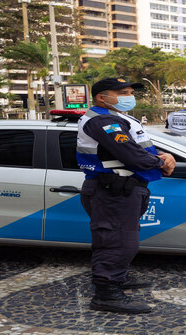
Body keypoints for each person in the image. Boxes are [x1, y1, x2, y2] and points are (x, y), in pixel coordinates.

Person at [76, 78, 176, 314]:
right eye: (122, 92)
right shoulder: (103, 120)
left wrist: (163, 154)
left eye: (130, 92)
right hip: (112, 191)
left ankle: (116, 278)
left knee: (121, 240)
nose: (129, 96)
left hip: (122, 188)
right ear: (102, 97)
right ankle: (107, 295)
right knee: (116, 242)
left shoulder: (114, 118)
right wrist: (162, 164)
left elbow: (137, 147)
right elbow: (132, 155)